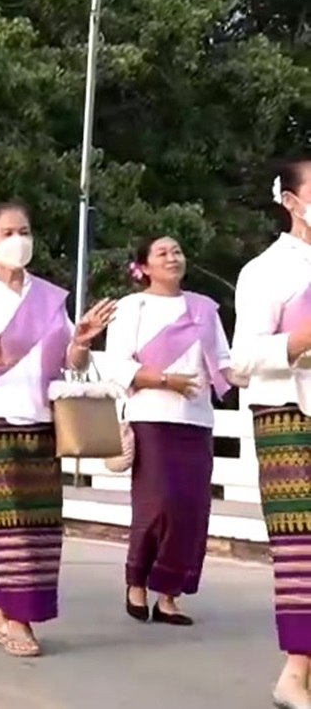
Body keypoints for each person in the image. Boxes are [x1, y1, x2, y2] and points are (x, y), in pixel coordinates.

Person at [0, 202, 114, 658]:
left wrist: (80, 340)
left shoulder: (49, 298)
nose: (19, 240)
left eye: (25, 231)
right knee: (11, 525)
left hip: (42, 422)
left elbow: (69, 363)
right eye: (9, 232)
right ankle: (19, 621)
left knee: (40, 527)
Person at [104, 236, 234, 626]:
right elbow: (118, 364)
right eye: (162, 253)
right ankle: (137, 584)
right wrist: (165, 381)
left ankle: (169, 595)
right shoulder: (133, 307)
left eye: (176, 251)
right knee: (157, 505)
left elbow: (223, 362)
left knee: (191, 510)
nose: (173, 257)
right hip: (152, 418)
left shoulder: (204, 309)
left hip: (196, 421)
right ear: (143, 267)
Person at [229, 158, 311, 709]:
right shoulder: (265, 271)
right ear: (291, 201)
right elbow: (240, 360)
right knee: (303, 542)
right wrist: (298, 341)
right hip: (288, 412)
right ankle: (296, 671)